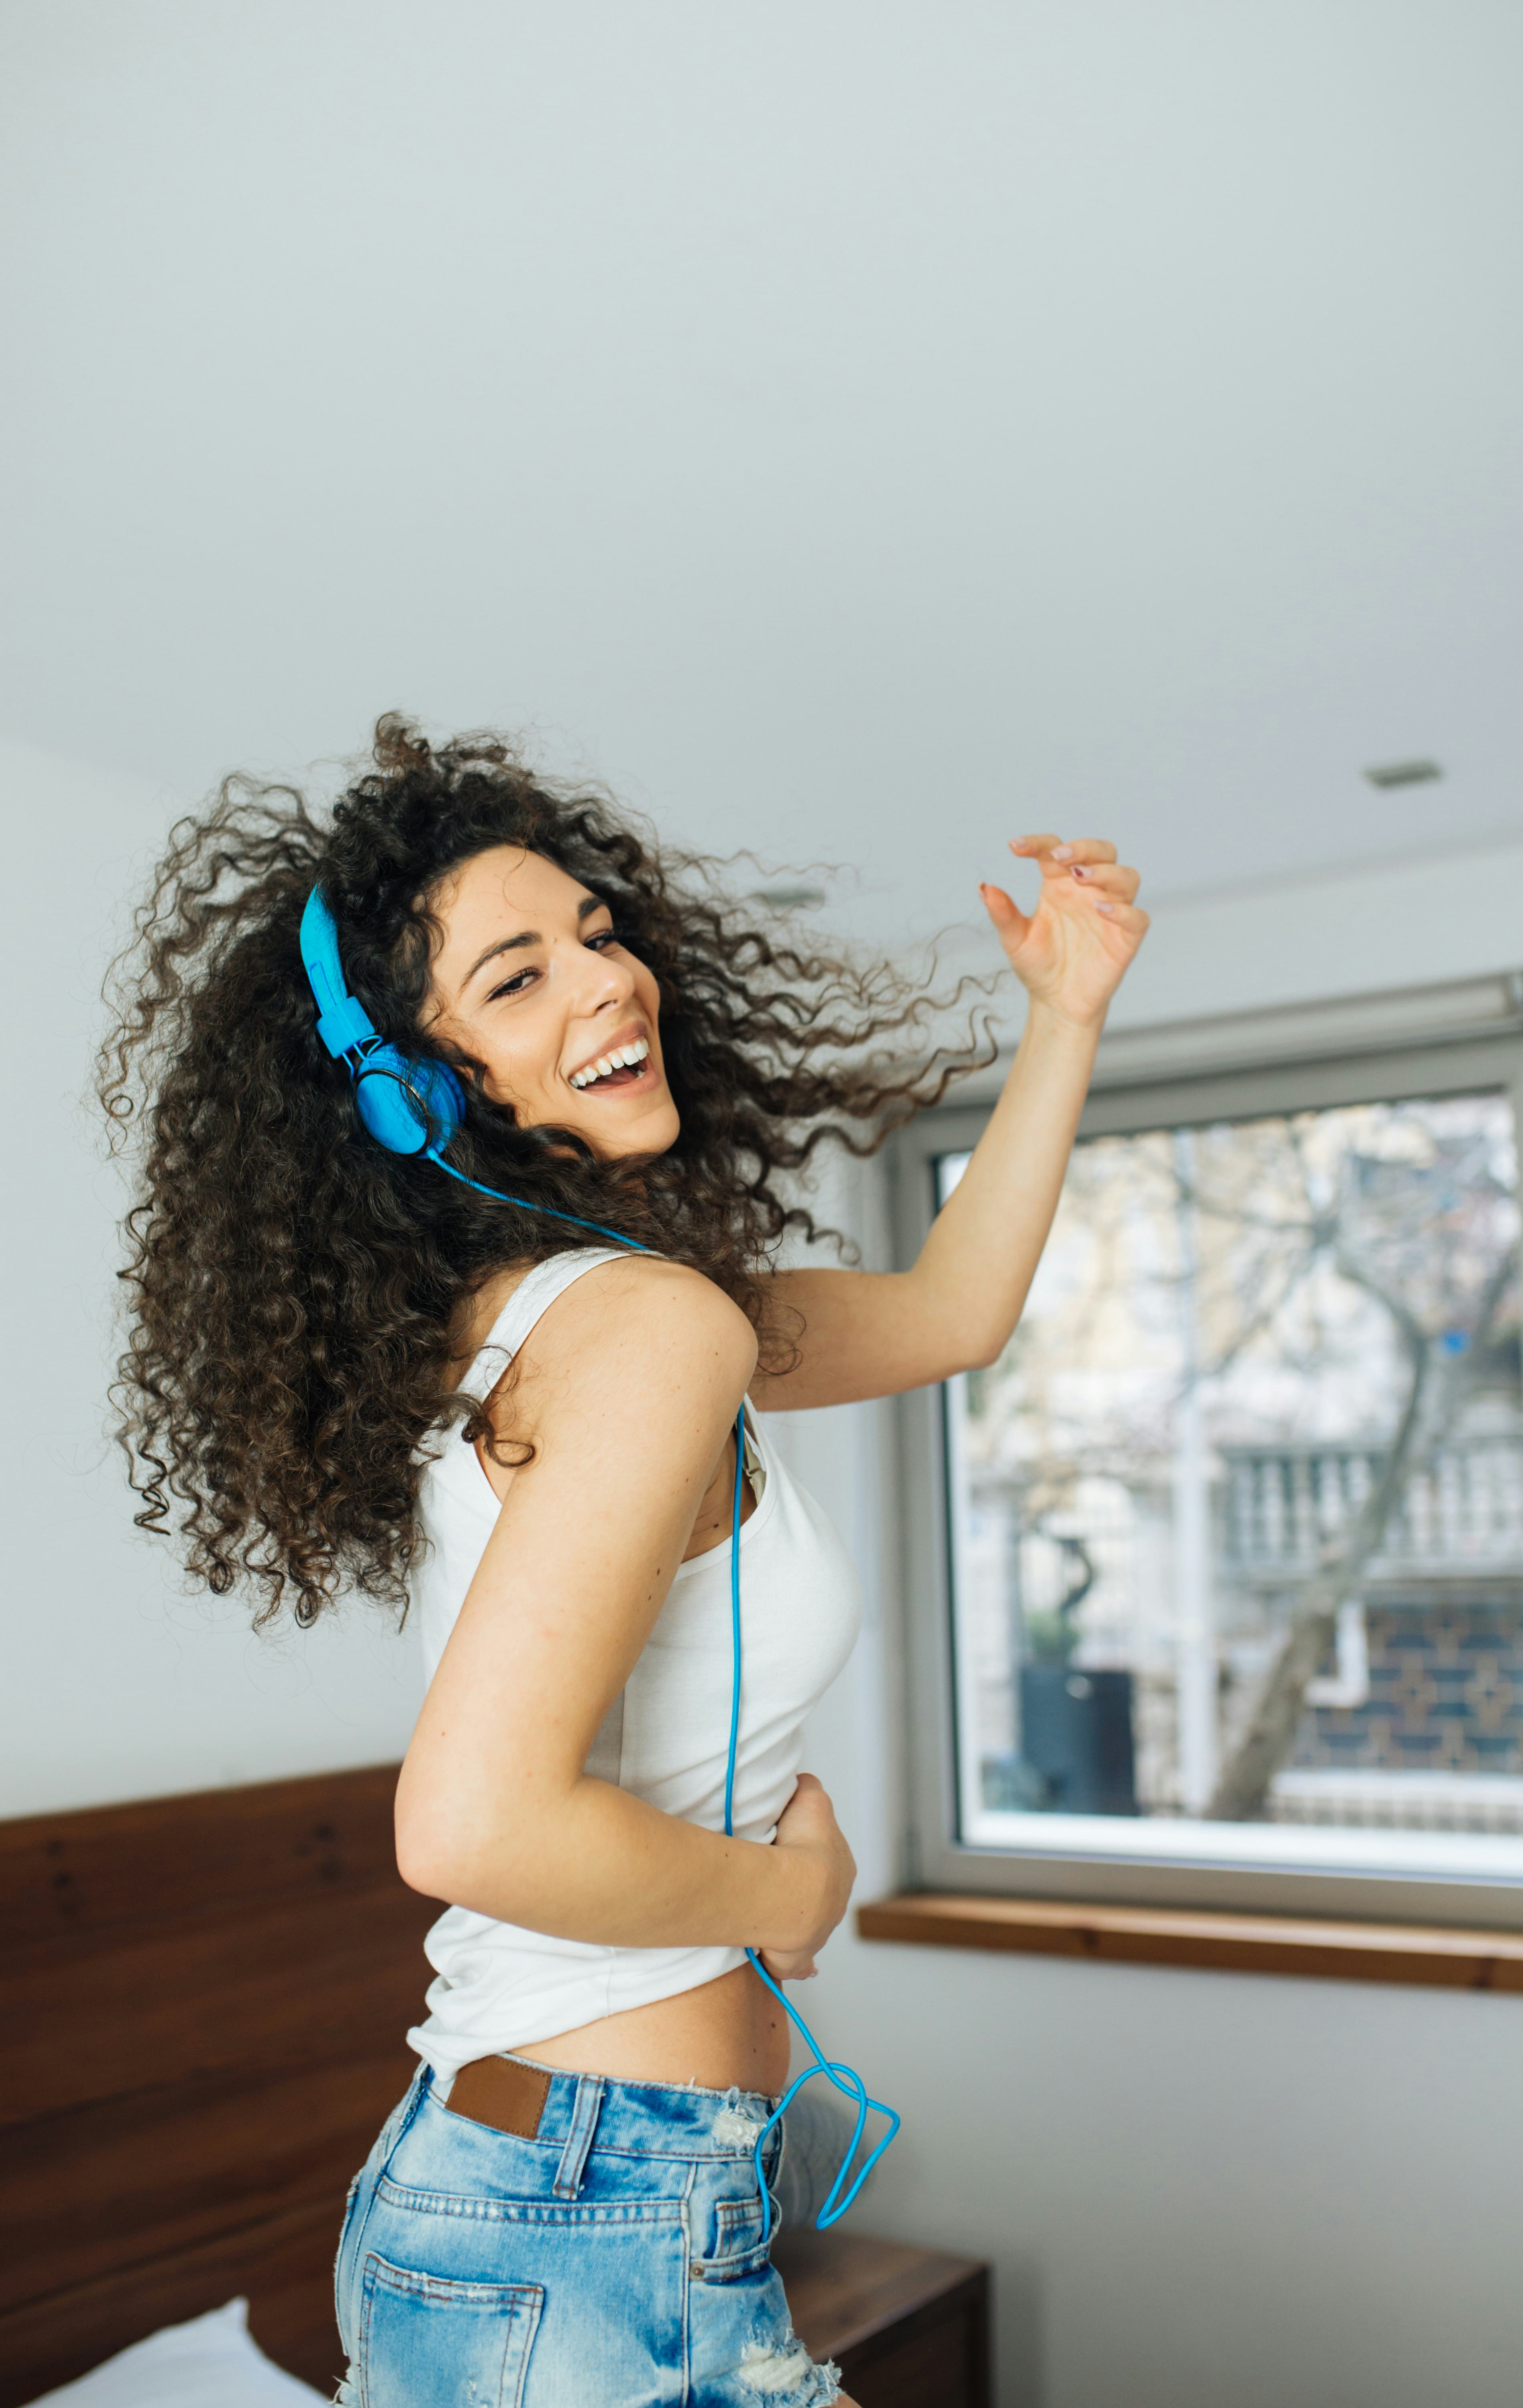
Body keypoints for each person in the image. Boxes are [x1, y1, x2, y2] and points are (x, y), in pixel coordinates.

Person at [99, 716, 1147, 2407]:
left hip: (578, 2208)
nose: (608, 981)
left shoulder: (603, 1318)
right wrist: (787, 1898)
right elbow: (469, 1824)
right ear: (412, 1087)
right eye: (514, 978)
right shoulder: (637, 1333)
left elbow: (951, 1312)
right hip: (575, 2218)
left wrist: (1066, 1014)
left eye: (596, 933)